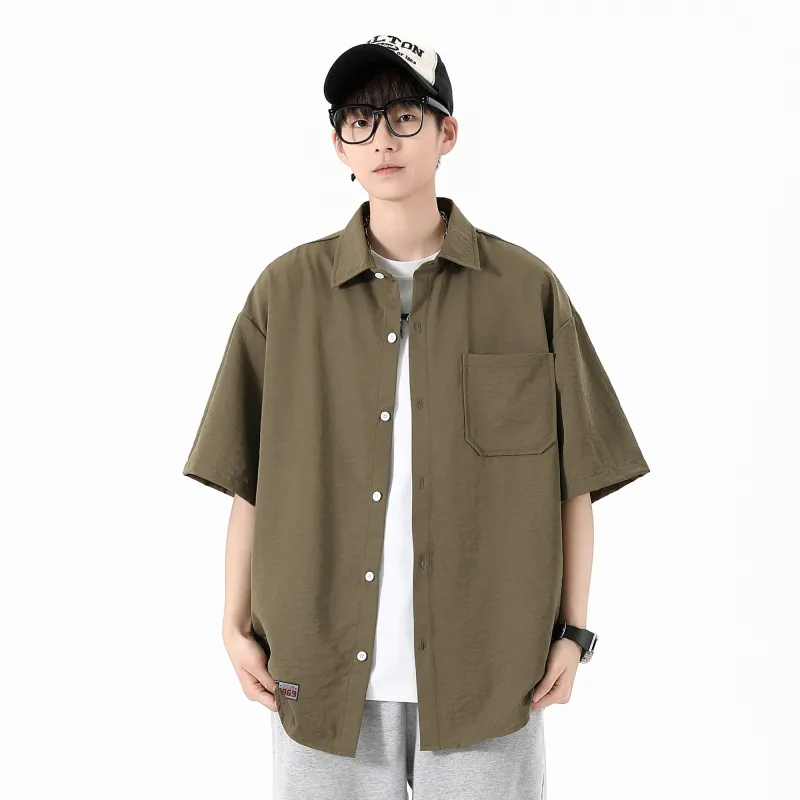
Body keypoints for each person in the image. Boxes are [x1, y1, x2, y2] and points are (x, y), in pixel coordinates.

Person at [182, 33, 650, 800]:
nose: (382, 140)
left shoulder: (525, 290)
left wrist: (574, 632)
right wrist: (233, 625)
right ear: (338, 144)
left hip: (491, 674)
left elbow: (575, 480)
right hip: (318, 672)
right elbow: (249, 480)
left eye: (404, 115)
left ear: (447, 132)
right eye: (359, 121)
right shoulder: (285, 295)